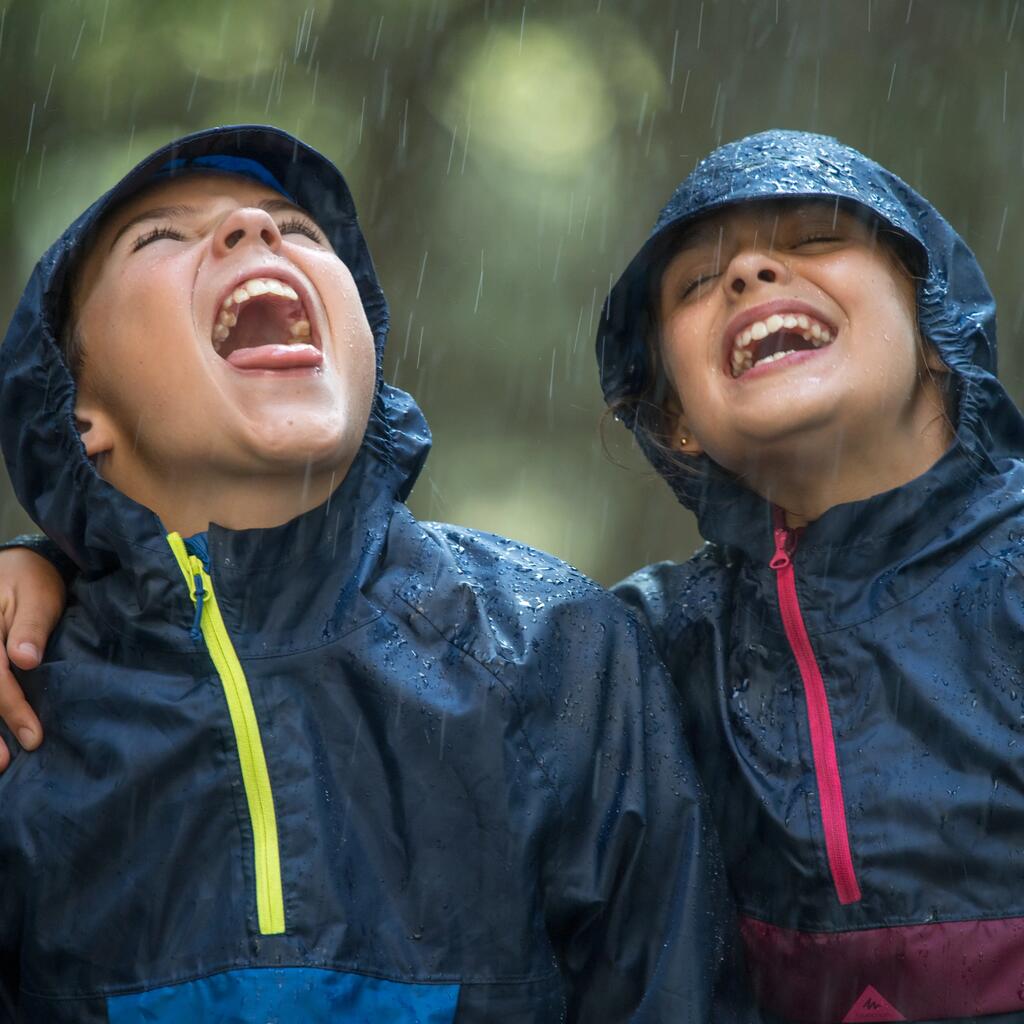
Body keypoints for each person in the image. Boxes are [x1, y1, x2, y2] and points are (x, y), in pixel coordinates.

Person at [0, 125, 750, 1022]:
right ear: (75, 417)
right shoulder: (24, 704)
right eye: (160, 237)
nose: (255, 228)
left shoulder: (564, 651)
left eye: (300, 229)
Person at [596, 130, 1024, 1023]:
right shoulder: (638, 653)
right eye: (696, 283)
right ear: (675, 417)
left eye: (817, 238)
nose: (749, 271)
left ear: (938, 331)